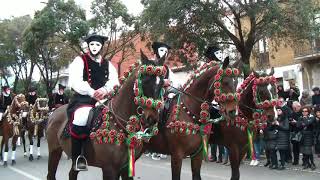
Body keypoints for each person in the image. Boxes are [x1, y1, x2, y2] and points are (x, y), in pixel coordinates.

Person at [67, 33, 119, 171]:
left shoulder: (108, 64)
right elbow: (75, 81)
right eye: (92, 44)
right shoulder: (80, 60)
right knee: (81, 117)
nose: (95, 47)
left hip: (104, 97)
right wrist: (91, 92)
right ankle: (78, 158)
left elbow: (114, 82)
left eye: (97, 45)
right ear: (88, 46)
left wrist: (104, 90)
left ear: (101, 47)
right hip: (83, 99)